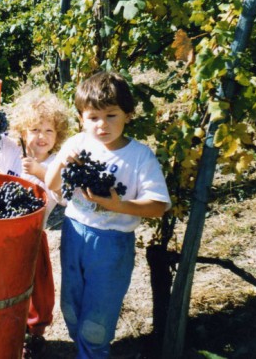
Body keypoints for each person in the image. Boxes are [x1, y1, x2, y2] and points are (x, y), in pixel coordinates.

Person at [45, 71, 171, 358]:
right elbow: (52, 185)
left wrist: (118, 206)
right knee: (72, 306)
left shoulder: (140, 156)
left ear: (128, 114)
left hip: (112, 245)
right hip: (74, 233)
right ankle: (84, 351)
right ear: (81, 118)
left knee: (97, 317)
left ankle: (93, 352)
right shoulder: (78, 144)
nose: (102, 125)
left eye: (111, 116)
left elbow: (158, 206)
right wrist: (61, 162)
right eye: (93, 118)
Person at [0, 91, 71, 358]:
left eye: (49, 130)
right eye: (34, 129)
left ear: (58, 134)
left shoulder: (56, 164)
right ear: (21, 130)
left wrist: (42, 172)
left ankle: (36, 333)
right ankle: (0, 325)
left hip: (32, 236)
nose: (41, 136)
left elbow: (64, 196)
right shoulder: (9, 149)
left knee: (38, 289)